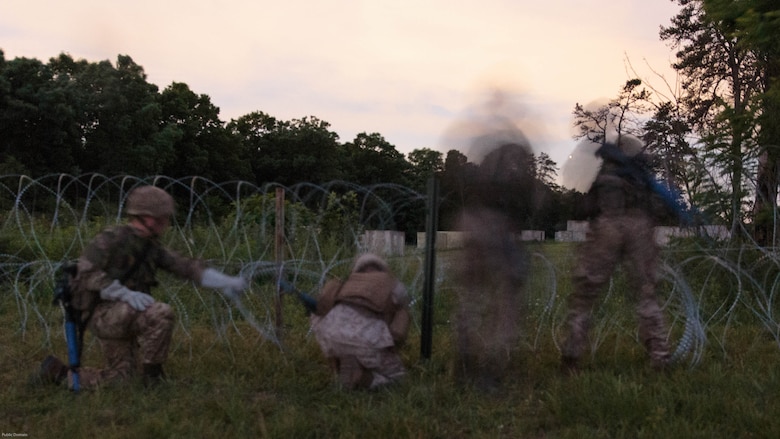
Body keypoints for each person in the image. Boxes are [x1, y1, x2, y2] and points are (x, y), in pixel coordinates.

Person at [39, 185, 247, 388]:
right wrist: (122, 292)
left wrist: (225, 281)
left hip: (126, 315)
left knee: (121, 379)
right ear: (149, 218)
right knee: (160, 312)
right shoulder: (110, 240)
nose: (167, 222)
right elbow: (85, 273)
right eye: (164, 217)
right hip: (102, 314)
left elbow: (184, 267)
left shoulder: (151, 246)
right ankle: (153, 379)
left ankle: (58, 374)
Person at [560, 135, 672, 374]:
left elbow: (584, 206)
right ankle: (660, 356)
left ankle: (572, 354)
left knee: (585, 294)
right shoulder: (640, 175)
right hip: (640, 226)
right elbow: (661, 203)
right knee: (647, 293)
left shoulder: (604, 175)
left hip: (606, 226)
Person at [453, 141, 535, 391]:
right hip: (499, 229)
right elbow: (523, 205)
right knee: (506, 306)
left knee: (472, 296)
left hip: (474, 223)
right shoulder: (517, 168)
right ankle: (490, 367)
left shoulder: (484, 166)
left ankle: (464, 359)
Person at [302, 253, 411, 390]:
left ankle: (341, 367)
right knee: (398, 378)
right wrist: (392, 347)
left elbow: (319, 309)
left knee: (324, 320)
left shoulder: (344, 284)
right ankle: (368, 379)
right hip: (367, 340)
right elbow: (399, 328)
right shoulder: (393, 285)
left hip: (332, 337)